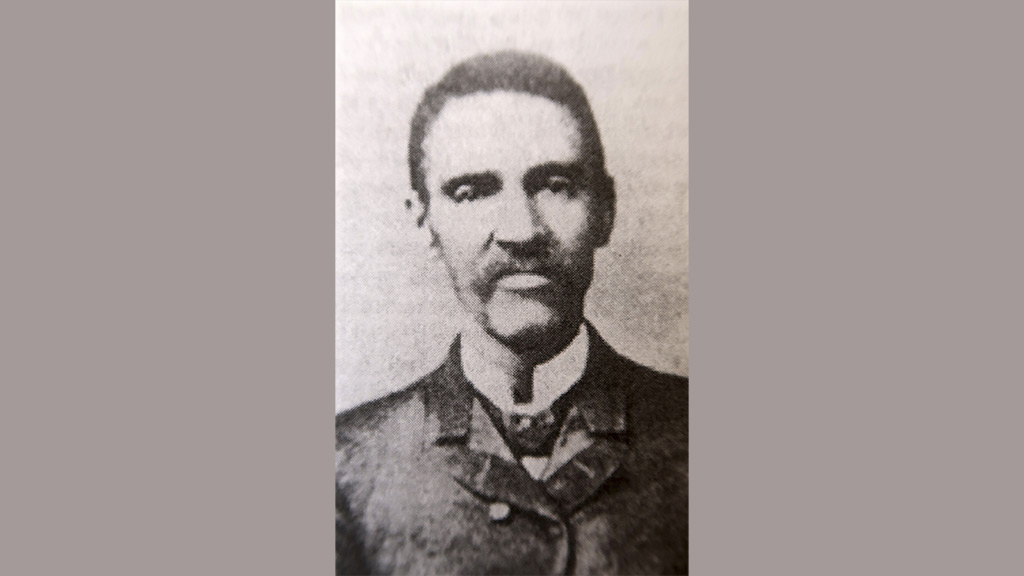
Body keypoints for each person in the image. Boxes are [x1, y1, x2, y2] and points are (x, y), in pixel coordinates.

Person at [336, 51, 688, 575]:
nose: (521, 229)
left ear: (605, 209)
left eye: (555, 186)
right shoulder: (347, 470)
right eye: (472, 192)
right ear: (424, 220)